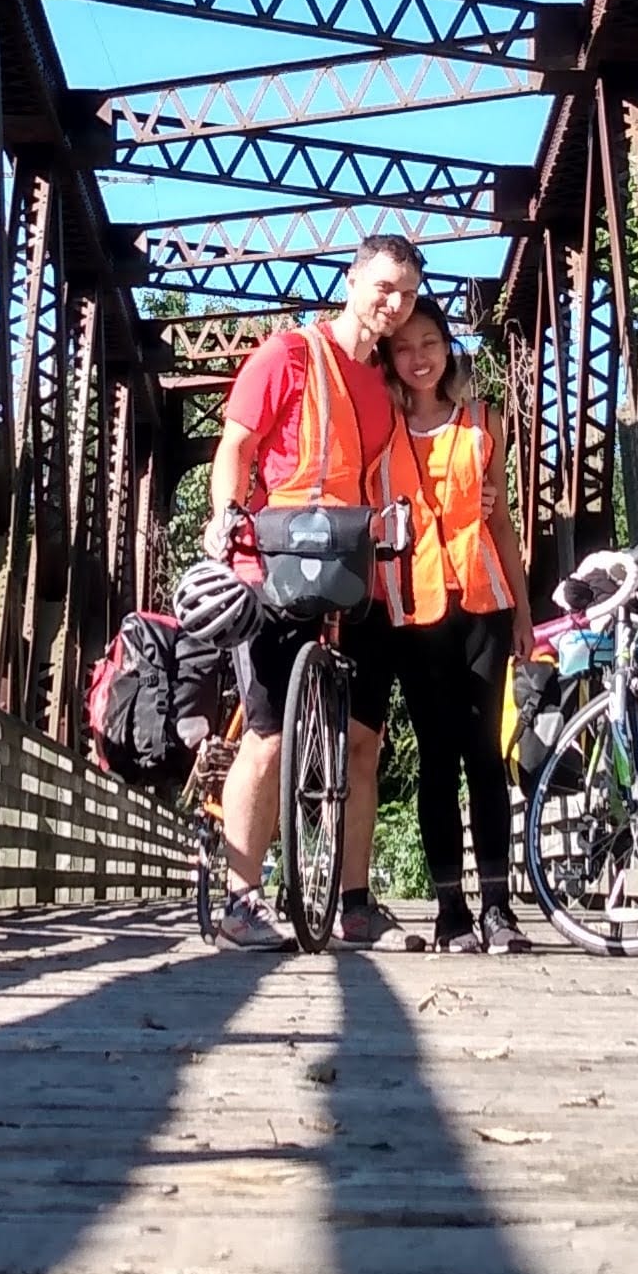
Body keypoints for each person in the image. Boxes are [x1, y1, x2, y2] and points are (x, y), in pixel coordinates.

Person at [201, 233, 421, 950]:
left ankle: (347, 902)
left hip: (342, 571)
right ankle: (241, 900)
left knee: (354, 741)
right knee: (266, 739)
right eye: (384, 287)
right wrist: (224, 518)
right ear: (352, 279)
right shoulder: (290, 352)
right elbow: (237, 443)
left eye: (409, 294)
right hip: (270, 564)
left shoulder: (382, 389)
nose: (394, 304)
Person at [382, 296, 530, 952]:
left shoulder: (481, 423)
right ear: (390, 356)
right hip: (413, 611)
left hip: (484, 602)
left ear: (447, 347)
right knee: (437, 759)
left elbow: (501, 523)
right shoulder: (380, 429)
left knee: (484, 756)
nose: (419, 357)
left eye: (430, 342)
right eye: (404, 346)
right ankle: (450, 913)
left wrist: (526, 612)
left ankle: (498, 906)